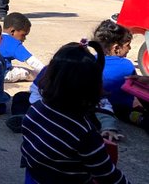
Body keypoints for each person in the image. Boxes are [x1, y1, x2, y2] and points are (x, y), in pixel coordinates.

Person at [20, 41, 130, 183]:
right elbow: (108, 175)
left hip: (34, 177)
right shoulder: (84, 134)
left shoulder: (35, 109)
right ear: (93, 87)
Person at [93, 20, 141, 123]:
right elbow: (136, 89)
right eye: (127, 45)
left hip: (95, 109)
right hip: (122, 111)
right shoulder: (126, 65)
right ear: (116, 48)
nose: (129, 48)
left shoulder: (89, 60)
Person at [0, 13, 45, 82]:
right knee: (29, 73)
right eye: (23, 35)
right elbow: (32, 61)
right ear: (13, 31)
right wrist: (48, 71)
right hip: (2, 75)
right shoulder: (13, 43)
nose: (24, 38)